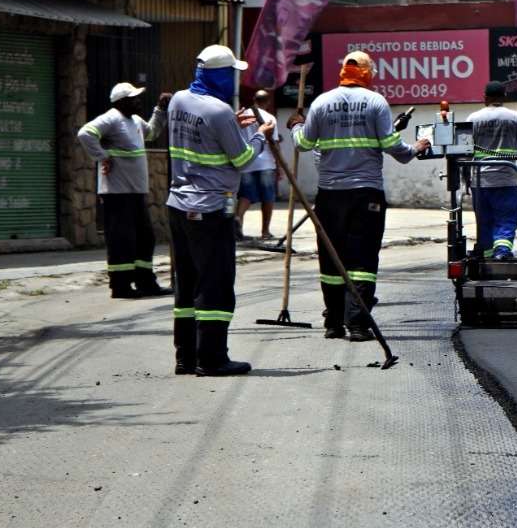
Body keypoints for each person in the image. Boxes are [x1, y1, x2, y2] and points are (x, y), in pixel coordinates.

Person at [288, 50, 429, 341]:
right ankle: (357, 324)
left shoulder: (321, 102)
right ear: (366, 72)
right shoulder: (375, 102)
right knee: (362, 260)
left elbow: (303, 144)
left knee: (331, 259)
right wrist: (415, 149)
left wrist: (296, 125)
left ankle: (334, 323)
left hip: (329, 195)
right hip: (366, 195)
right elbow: (393, 146)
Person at [165, 44, 275, 377]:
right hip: (210, 207)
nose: (234, 81)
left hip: (178, 205)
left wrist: (236, 127)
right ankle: (212, 359)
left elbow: (206, 137)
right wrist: (259, 135)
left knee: (186, 283)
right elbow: (242, 160)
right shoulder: (219, 111)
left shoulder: (178, 101)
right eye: (231, 74)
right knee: (215, 283)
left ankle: (186, 356)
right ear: (220, 75)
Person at [76, 81, 169, 299]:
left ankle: (145, 282)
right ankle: (121, 286)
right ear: (122, 102)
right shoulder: (111, 118)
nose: (138, 101)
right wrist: (102, 156)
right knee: (122, 240)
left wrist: (160, 110)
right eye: (134, 98)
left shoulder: (135, 120)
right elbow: (85, 133)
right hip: (117, 194)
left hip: (136, 192)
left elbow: (152, 133)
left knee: (145, 238)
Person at [467, 81, 517, 261]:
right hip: (507, 179)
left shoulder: (472, 118)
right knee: (506, 220)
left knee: (484, 222)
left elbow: (463, 150)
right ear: (504, 98)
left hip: (480, 182)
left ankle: (486, 258)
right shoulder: (515, 117)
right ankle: (502, 253)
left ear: (485, 98)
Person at [234, 89, 283, 241]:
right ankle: (265, 231)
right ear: (268, 102)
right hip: (266, 163)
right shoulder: (270, 118)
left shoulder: (241, 116)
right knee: (268, 197)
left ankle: (237, 221)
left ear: (254, 99)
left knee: (245, 195)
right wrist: (279, 165)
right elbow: (273, 143)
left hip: (246, 161)